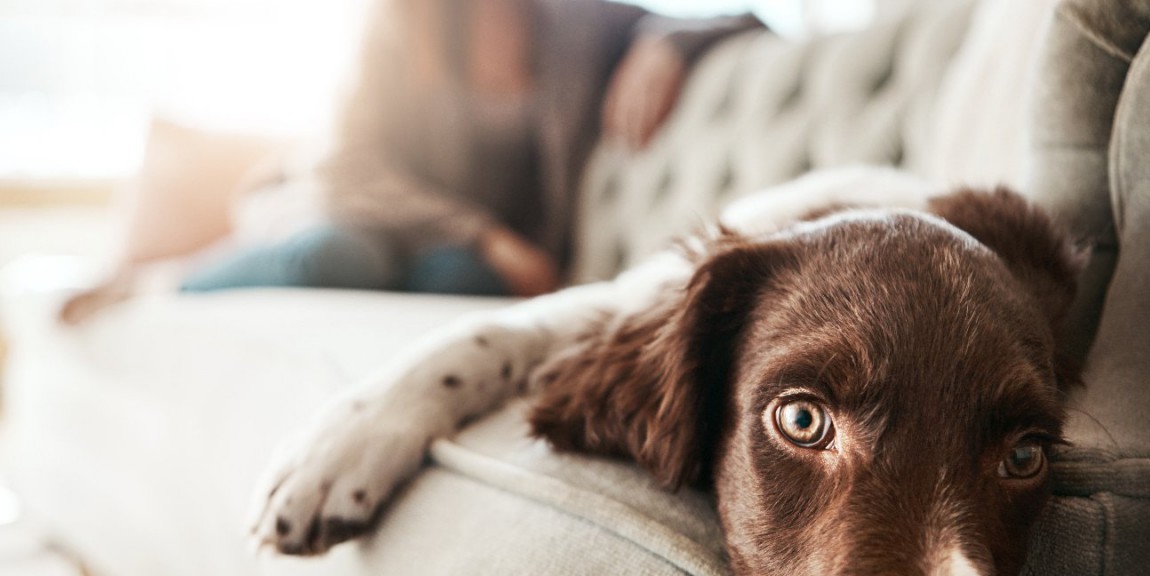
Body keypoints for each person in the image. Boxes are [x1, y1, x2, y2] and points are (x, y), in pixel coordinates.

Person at [62, 0, 762, 320]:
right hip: (359, 217)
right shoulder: (398, 20)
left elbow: (746, 19)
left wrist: (668, 46)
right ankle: (160, 289)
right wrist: (484, 234)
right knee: (343, 255)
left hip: (464, 257)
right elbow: (346, 169)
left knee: (464, 283)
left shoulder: (579, 25)